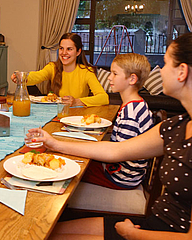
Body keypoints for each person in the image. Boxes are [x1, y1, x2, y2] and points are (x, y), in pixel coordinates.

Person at [27, 32, 192, 239]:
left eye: (166, 63)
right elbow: (116, 149)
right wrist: (54, 143)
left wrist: (133, 234)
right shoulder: (175, 126)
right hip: (153, 220)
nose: (161, 71)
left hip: (149, 227)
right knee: (48, 232)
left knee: (62, 179)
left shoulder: (138, 112)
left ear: (182, 72)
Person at [82, 53, 154, 190]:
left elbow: (116, 154)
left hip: (121, 176)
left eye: (115, 74)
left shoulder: (130, 113)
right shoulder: (136, 104)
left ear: (132, 79)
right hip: (126, 171)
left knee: (77, 168)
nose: (109, 77)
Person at [11, 33, 108, 107]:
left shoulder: (86, 72)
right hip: (55, 115)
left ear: (78, 52)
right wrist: (21, 76)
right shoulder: (52, 67)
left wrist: (77, 101)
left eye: (69, 49)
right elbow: (37, 76)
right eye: (61, 48)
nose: (64, 53)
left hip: (77, 116)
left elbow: (104, 98)